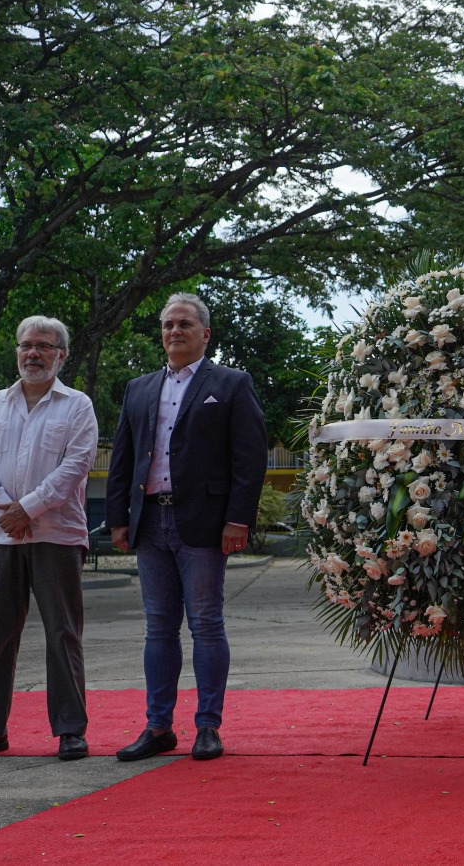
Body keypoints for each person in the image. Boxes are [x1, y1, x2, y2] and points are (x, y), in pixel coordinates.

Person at [107, 293, 267, 762]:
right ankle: (159, 726)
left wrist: (238, 518)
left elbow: (250, 457)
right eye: (167, 325)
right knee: (158, 628)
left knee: (205, 624)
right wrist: (119, 517)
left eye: (184, 324)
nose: (174, 331)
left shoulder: (232, 384)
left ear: (205, 334)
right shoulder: (138, 388)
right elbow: (122, 460)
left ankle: (207, 726)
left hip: (205, 522)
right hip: (151, 520)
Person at [0, 316, 99, 763]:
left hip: (57, 535)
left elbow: (75, 466)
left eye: (43, 346)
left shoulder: (77, 406)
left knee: (63, 633)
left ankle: (70, 730)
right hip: (0, 537)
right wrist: (6, 511)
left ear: (61, 354)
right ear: (17, 351)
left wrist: (27, 509)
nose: (33, 353)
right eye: (26, 345)